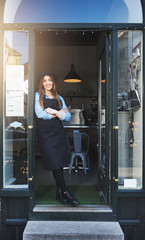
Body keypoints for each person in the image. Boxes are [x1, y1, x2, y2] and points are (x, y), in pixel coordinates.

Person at [35, 73, 78, 206]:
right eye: (45, 80)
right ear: (42, 83)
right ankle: (65, 192)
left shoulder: (59, 98)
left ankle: (59, 192)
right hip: (45, 135)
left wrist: (54, 112)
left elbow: (67, 116)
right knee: (54, 162)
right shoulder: (38, 96)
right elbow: (40, 114)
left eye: (50, 80)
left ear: (53, 82)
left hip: (58, 133)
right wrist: (59, 113)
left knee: (58, 162)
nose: (48, 83)